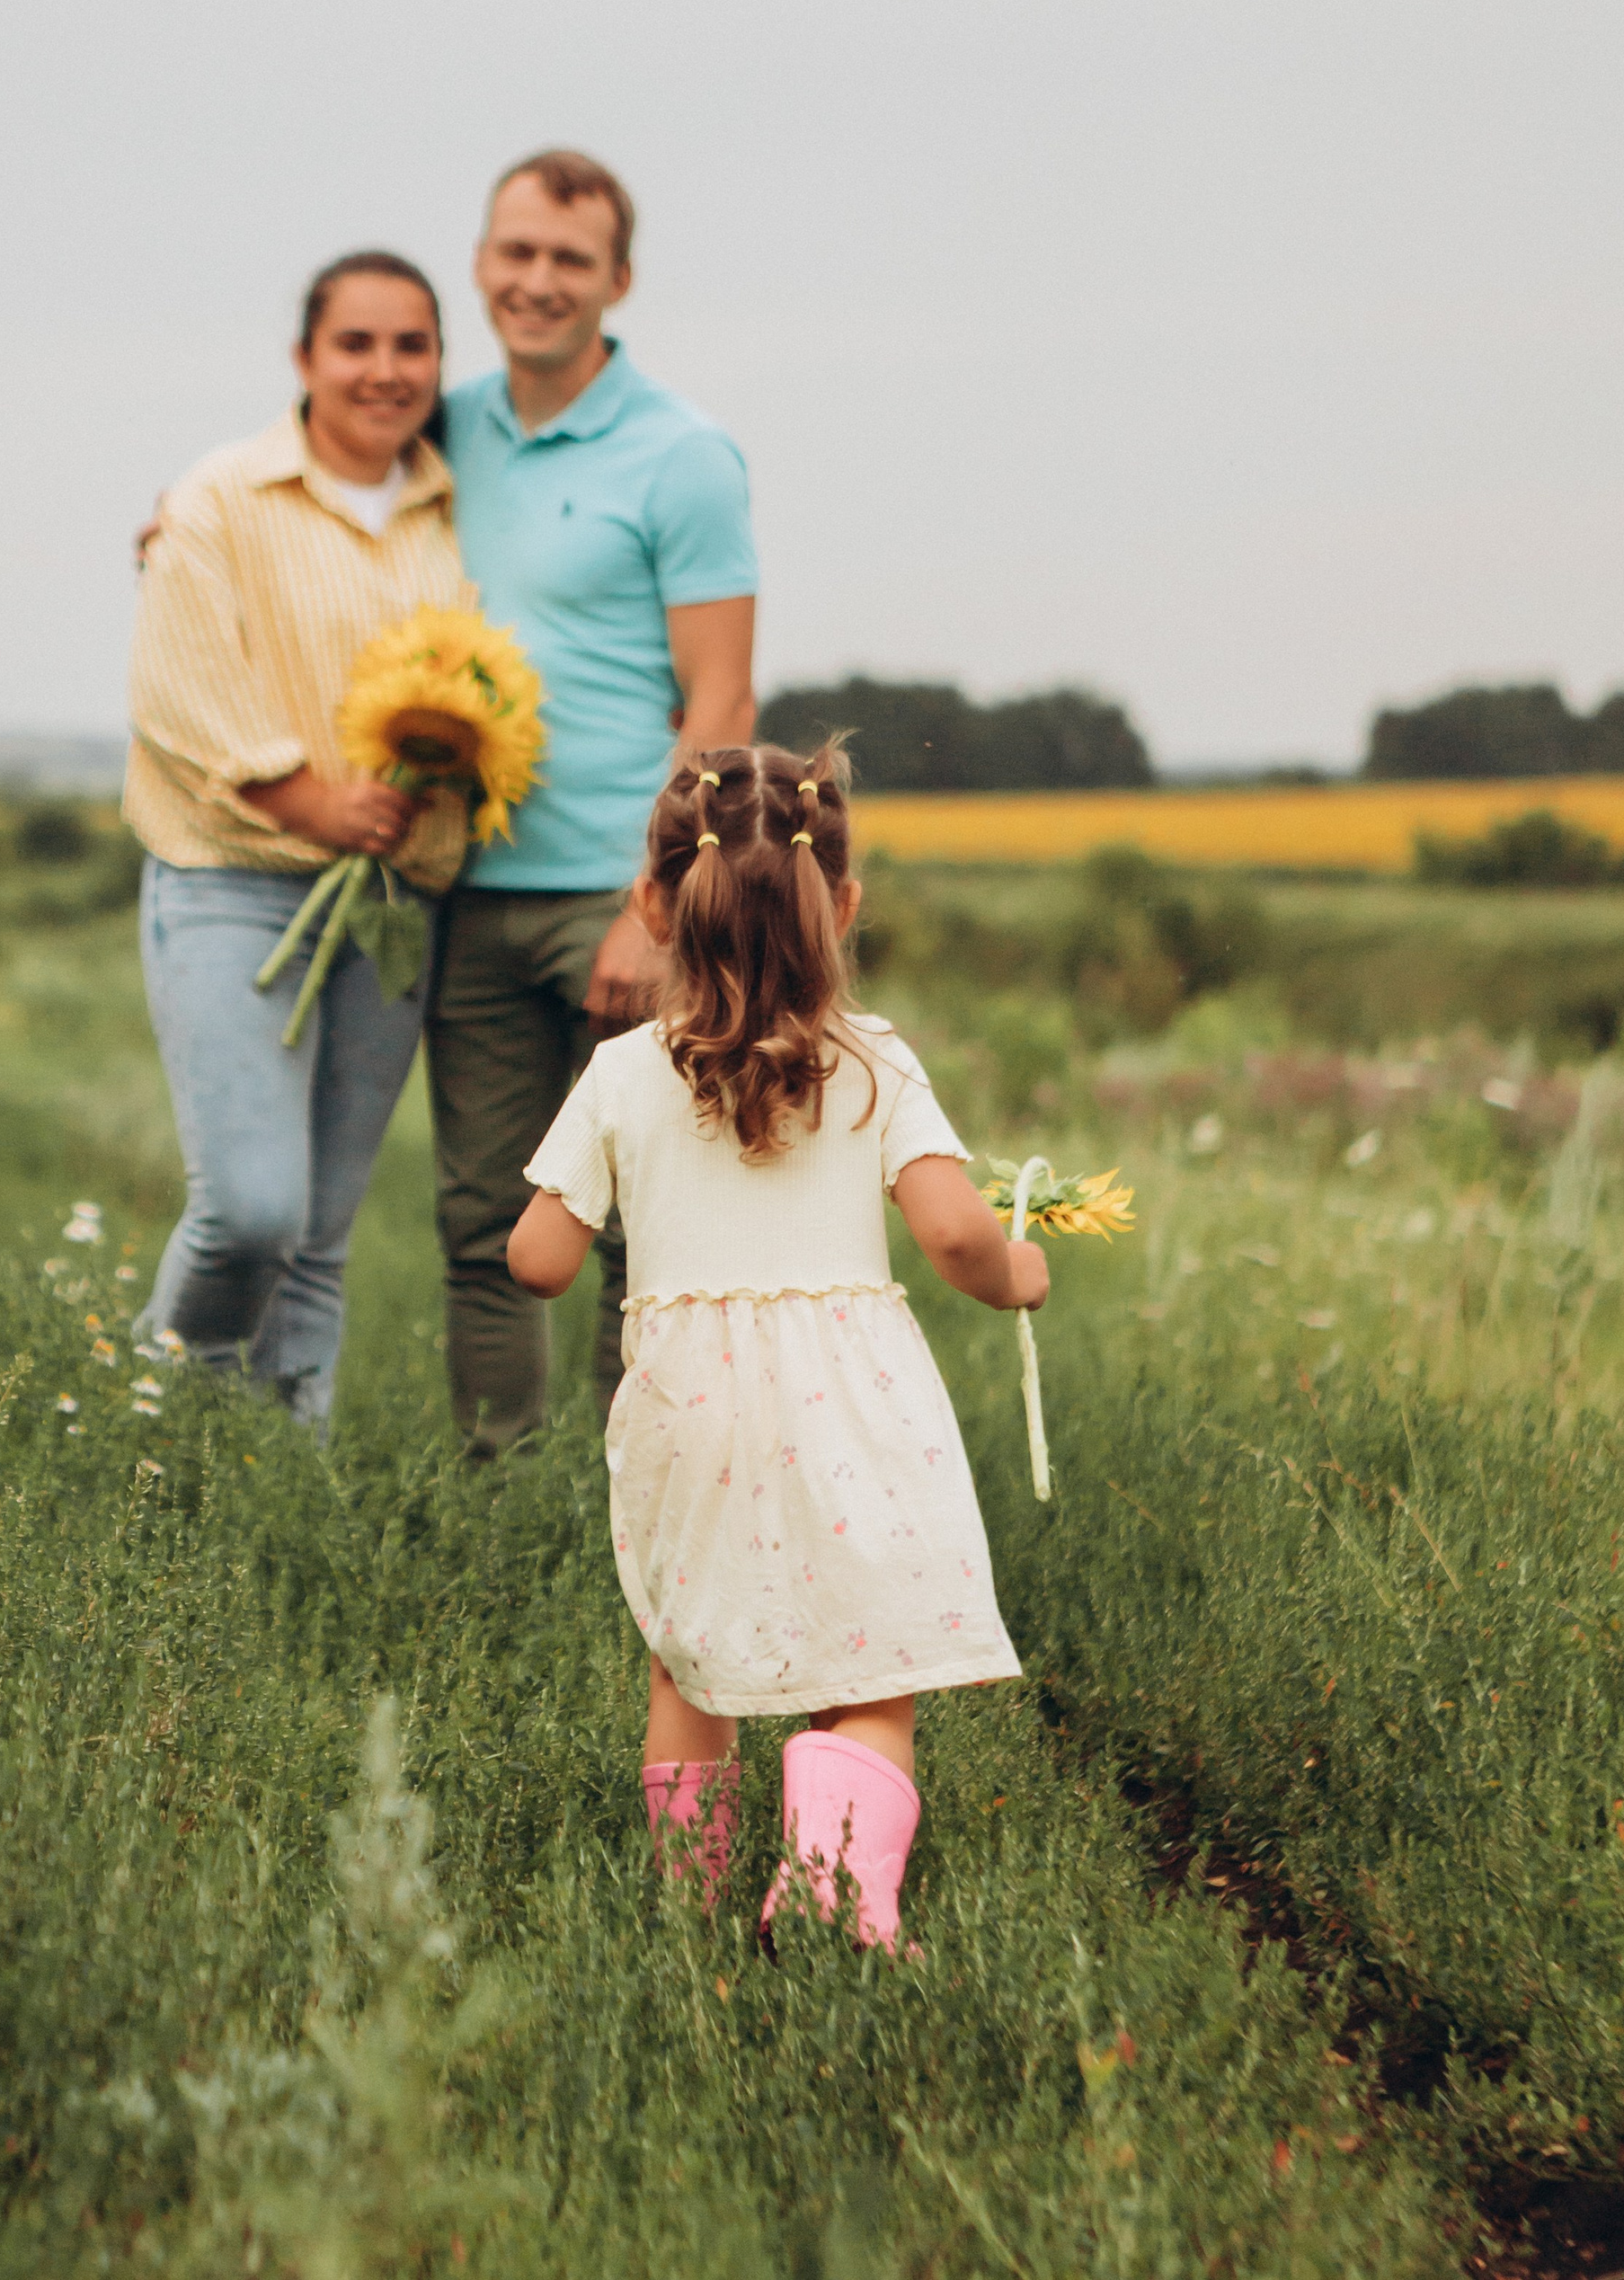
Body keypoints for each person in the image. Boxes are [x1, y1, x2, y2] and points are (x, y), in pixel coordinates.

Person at [506, 743, 1046, 1949]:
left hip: (686, 1407)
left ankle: (693, 1918)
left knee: (689, 1667)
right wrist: (1022, 1273)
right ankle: (830, 1881)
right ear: (843, 906)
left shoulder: (619, 1076)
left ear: (652, 906)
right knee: (871, 1668)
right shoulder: (875, 1060)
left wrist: (588, 1196)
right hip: (851, 1400)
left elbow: (536, 1261)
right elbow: (957, 1233)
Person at [433, 150, 759, 1454]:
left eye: (571, 259)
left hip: (617, 899)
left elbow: (723, 701)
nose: (539, 281)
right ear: (480, 264)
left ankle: (648, 1500)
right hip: (466, 894)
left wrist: (659, 907)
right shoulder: (440, 430)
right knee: (483, 1224)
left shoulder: (683, 456)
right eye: (517, 253)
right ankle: (497, 1502)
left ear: (617, 280)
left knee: (643, 1217)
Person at [122, 253, 466, 1430]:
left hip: (394, 903)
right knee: (252, 1212)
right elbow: (177, 681)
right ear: (305, 359)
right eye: (356, 344)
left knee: (319, 1235)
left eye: (411, 346)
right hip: (235, 882)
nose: (384, 370)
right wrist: (304, 797)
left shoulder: (462, 504)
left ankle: (282, 1481)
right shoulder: (222, 496)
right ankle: (168, 1438)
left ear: (439, 363)